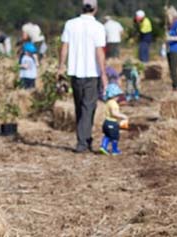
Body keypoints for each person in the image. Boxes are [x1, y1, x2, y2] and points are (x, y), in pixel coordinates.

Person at [59, 0, 109, 154]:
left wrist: (61, 65)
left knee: (80, 106)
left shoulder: (70, 24)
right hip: (91, 72)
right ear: (95, 9)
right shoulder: (99, 27)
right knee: (88, 107)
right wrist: (103, 73)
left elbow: (64, 47)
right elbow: (99, 51)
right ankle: (82, 142)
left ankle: (85, 139)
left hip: (75, 71)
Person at [100, 83, 129, 156]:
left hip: (106, 122)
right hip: (112, 123)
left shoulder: (108, 102)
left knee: (107, 135)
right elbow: (114, 113)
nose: (118, 97)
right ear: (114, 95)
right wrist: (123, 116)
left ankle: (103, 146)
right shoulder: (113, 103)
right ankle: (114, 150)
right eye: (117, 95)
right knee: (115, 137)